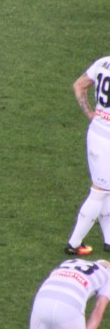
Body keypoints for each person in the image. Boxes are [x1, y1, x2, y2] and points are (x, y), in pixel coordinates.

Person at [25, 258, 110, 329]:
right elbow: (98, 311)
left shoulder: (71, 262)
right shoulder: (108, 275)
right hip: (69, 307)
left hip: (42, 301)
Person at [65, 56, 110, 256]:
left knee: (107, 189)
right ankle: (74, 243)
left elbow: (79, 86)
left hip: (96, 133)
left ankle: (109, 240)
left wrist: (91, 114)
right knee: (100, 191)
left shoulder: (103, 62)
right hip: (107, 143)